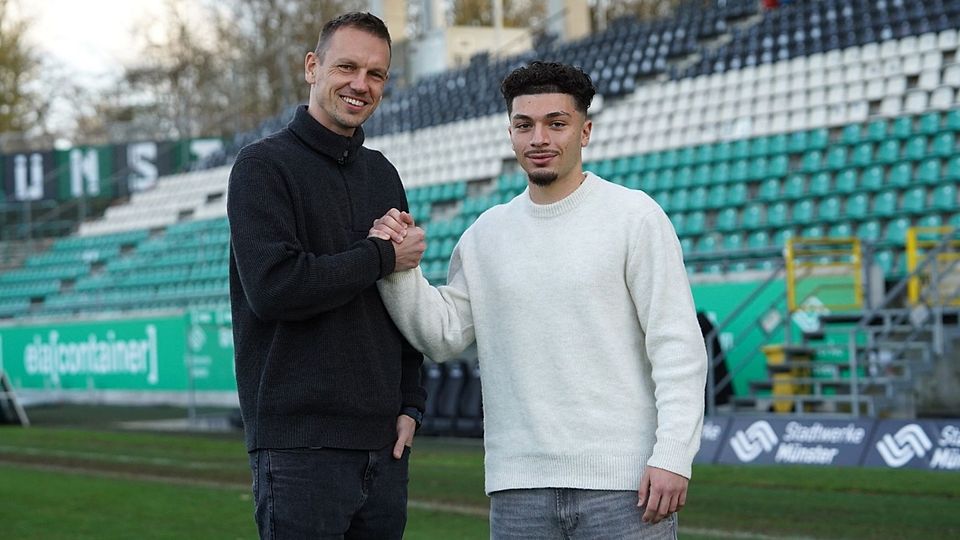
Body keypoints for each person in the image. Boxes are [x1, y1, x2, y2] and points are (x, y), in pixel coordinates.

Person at [371, 61, 707, 538]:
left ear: (585, 131)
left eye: (557, 123)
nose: (539, 139)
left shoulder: (635, 217)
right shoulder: (485, 235)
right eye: (524, 125)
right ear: (510, 132)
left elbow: (678, 348)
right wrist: (397, 267)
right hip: (518, 491)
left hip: (625, 489)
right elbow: (443, 337)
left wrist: (672, 456)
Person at [227, 12, 427, 540]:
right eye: (347, 66)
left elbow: (400, 301)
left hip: (384, 447)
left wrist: (412, 402)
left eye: (376, 74)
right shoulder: (261, 168)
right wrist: (381, 255)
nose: (361, 84)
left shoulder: (383, 173)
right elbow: (276, 287)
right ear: (313, 67)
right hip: (298, 449)